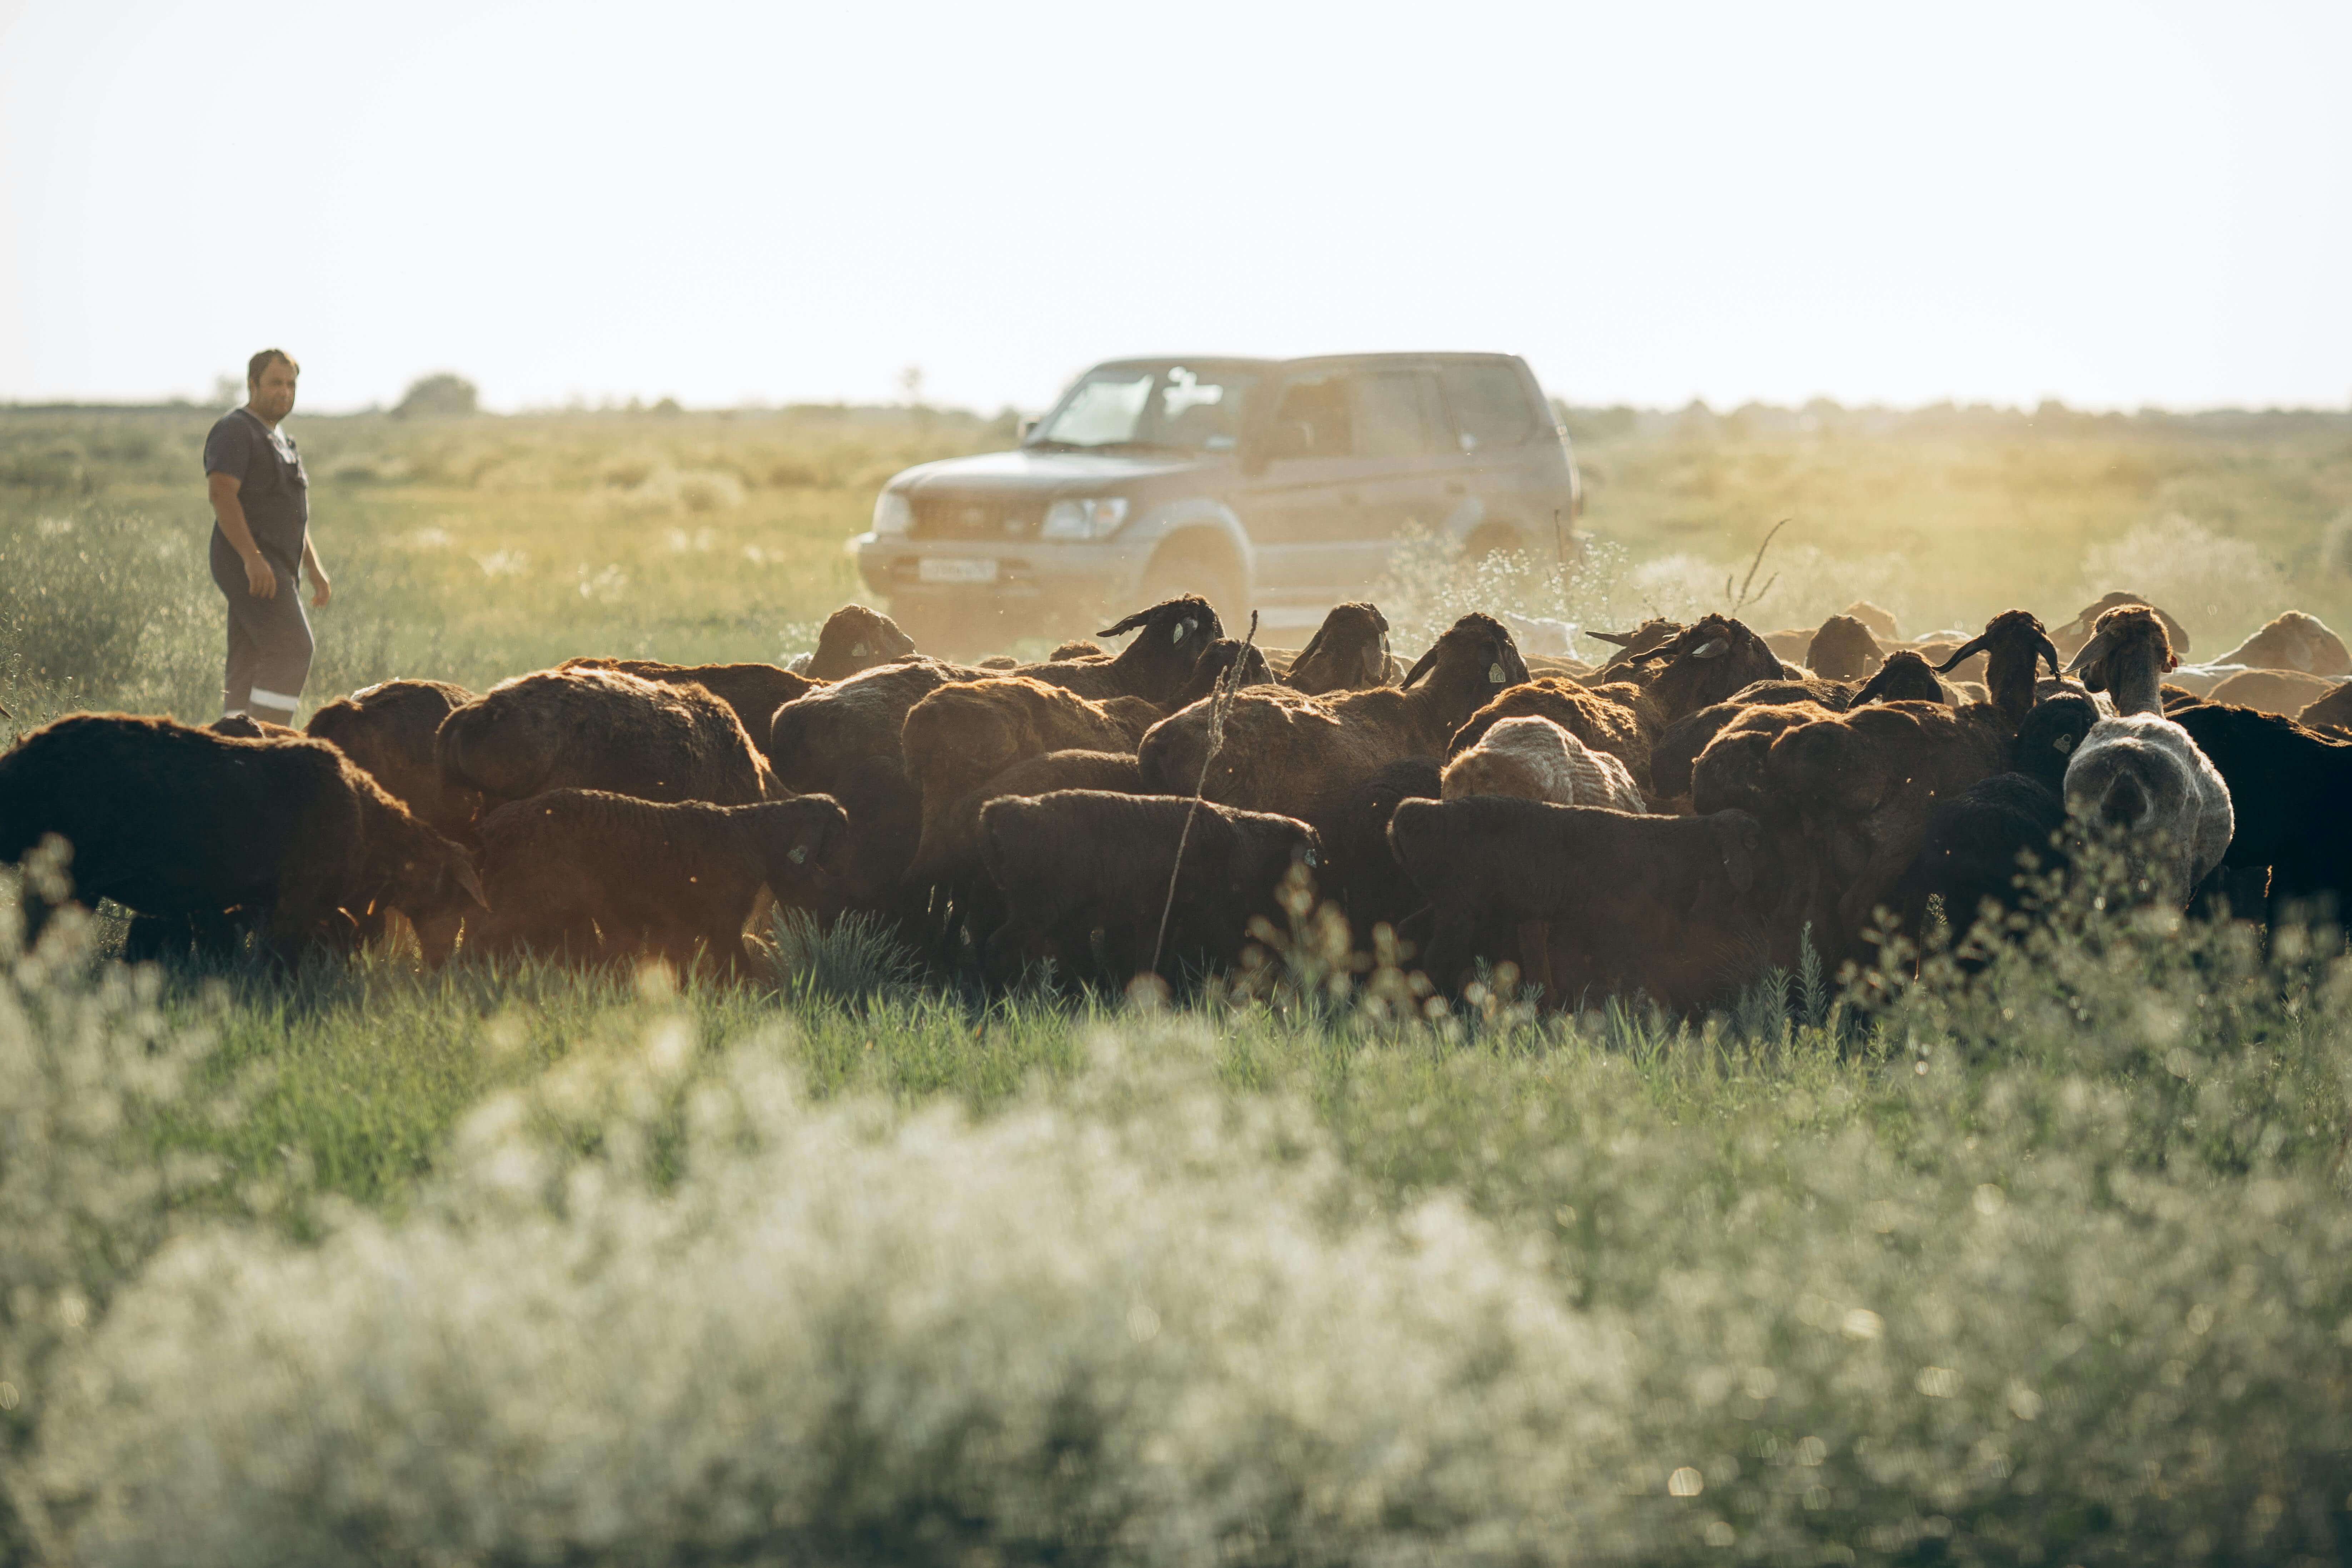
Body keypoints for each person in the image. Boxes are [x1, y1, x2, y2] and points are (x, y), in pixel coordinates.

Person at [203, 348, 330, 725]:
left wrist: (315, 570)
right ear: (252, 384)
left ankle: (231, 746)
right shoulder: (236, 430)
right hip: (251, 560)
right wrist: (252, 558)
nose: (285, 392)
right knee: (292, 648)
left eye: (291, 384)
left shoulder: (281, 439)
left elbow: (292, 516)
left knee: (251, 656)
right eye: (276, 383)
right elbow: (221, 494)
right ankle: (268, 745)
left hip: (277, 564)